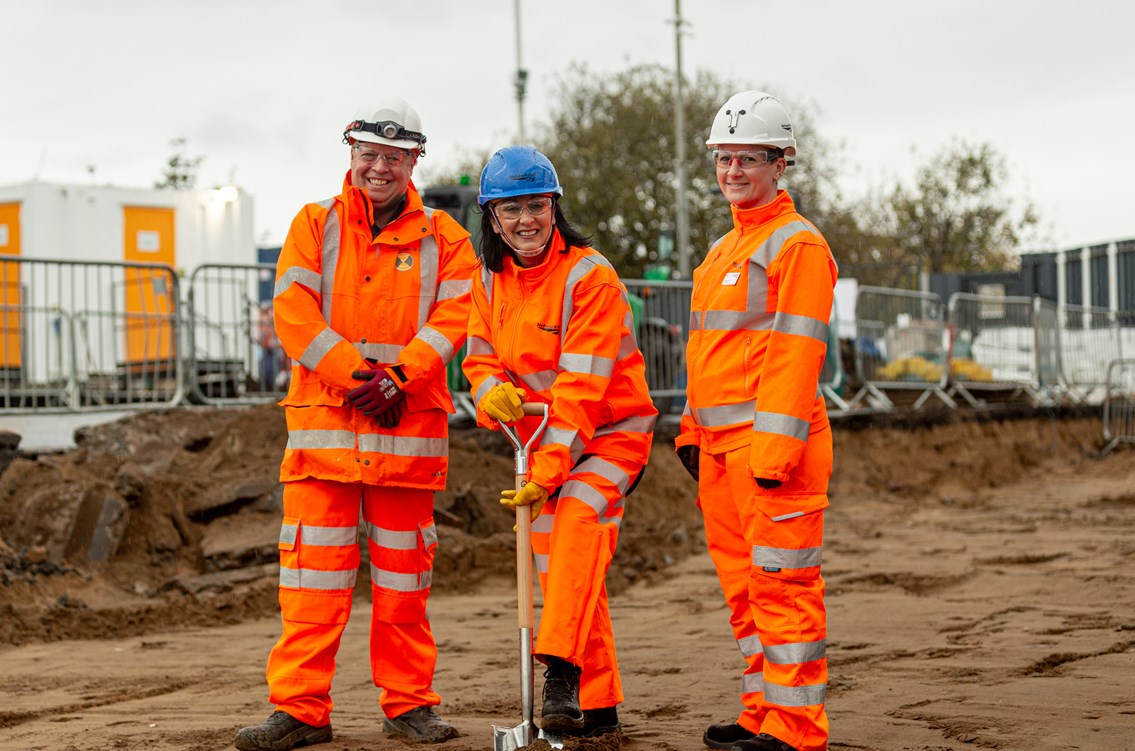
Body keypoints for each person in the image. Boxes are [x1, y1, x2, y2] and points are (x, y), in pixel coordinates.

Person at [234, 96, 478, 750]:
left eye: (393, 157)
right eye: (369, 153)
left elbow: (456, 319)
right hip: (326, 439)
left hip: (403, 436)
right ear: (351, 152)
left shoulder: (447, 240)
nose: (379, 167)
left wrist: (399, 377)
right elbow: (292, 312)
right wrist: (358, 376)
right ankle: (300, 710)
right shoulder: (313, 224)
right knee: (311, 587)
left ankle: (409, 706)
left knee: (404, 588)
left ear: (414, 160)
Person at [462, 145, 657, 738]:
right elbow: (480, 356)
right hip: (542, 441)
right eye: (511, 209)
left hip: (612, 434)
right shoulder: (486, 278)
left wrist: (547, 473)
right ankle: (598, 711)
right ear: (492, 218)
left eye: (537, 206)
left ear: (555, 208)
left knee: (574, 526)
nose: (526, 221)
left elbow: (581, 388)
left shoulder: (590, 275)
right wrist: (489, 390)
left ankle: (560, 671)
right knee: (569, 572)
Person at [675, 91, 838, 751]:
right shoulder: (721, 251)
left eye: (747, 158)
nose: (732, 170)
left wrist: (771, 456)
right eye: (723, 158)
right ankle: (760, 712)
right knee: (746, 594)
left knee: (782, 587)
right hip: (719, 452)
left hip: (770, 452)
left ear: (780, 163)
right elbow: (706, 351)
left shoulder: (796, 244)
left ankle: (796, 728)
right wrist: (690, 429)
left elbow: (795, 354)